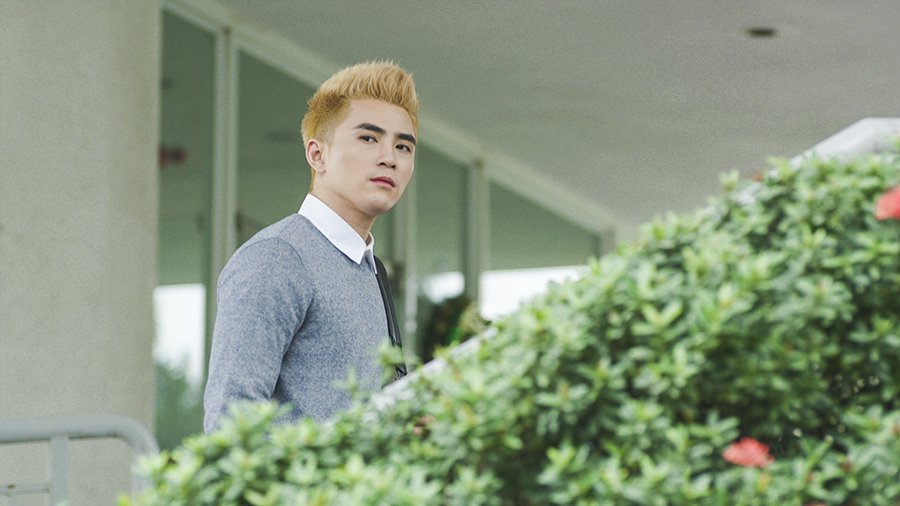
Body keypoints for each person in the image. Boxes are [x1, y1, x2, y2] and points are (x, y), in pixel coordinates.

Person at [203, 61, 419, 432]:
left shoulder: (371, 270)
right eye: (369, 138)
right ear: (317, 155)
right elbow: (230, 422)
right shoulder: (278, 257)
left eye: (403, 146)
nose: (390, 158)